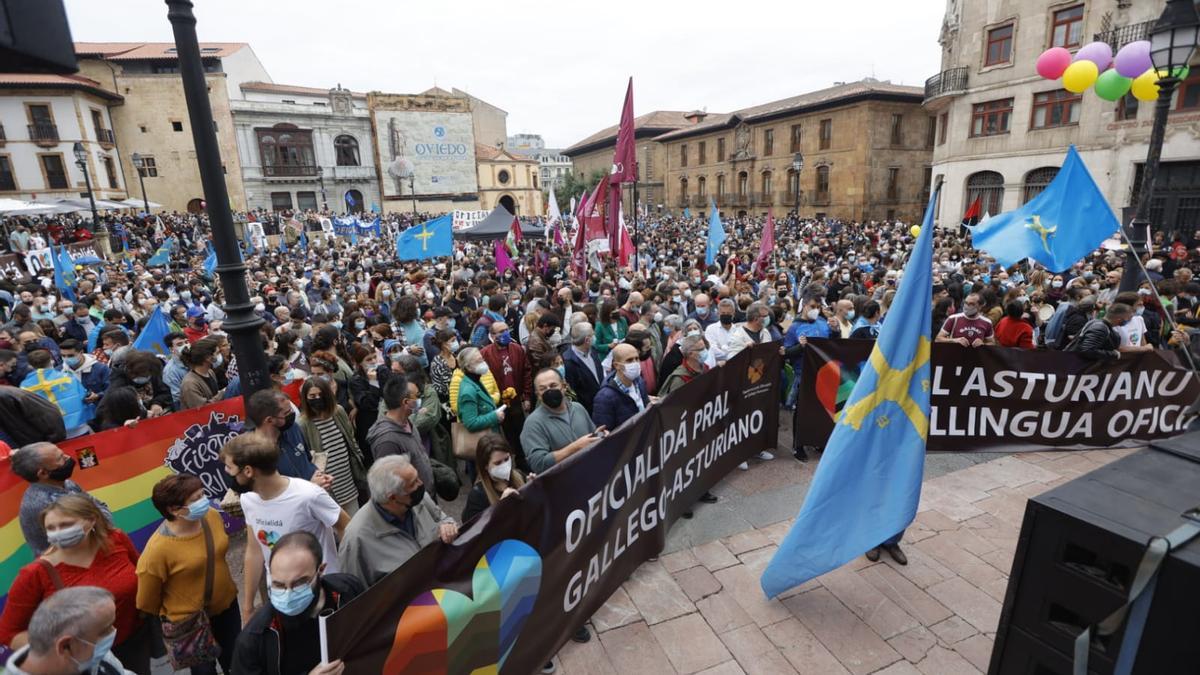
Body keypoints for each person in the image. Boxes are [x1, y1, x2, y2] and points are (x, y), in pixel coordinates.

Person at [0, 495, 149, 674]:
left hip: (134, 640)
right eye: (51, 528)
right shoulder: (35, 573)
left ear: (91, 520)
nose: (58, 532)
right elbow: (9, 633)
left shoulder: (116, 539)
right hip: (81, 659)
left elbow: (142, 572)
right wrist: (61, 650)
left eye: (65, 525)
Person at [219, 433, 349, 625]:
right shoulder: (248, 500)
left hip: (321, 596)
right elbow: (255, 552)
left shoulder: (309, 495)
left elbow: (348, 529)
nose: (226, 472)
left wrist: (346, 578)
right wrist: (247, 607)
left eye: (229, 467)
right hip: (281, 598)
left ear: (248, 471)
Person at [136, 474, 239, 675]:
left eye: (202, 494)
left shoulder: (211, 516)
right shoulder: (157, 551)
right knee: (204, 672)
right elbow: (146, 601)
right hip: (189, 625)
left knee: (237, 663)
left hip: (227, 608)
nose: (203, 501)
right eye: (195, 499)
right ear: (173, 509)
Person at [232, 531, 363, 675]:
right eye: (279, 585)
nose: (288, 594)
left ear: (320, 570)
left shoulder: (347, 590)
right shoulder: (255, 639)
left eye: (299, 583)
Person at [337, 454, 458, 585]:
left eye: (417, 477)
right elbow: (355, 594)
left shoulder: (419, 499)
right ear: (393, 497)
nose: (420, 484)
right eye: (413, 483)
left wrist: (448, 525)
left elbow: (442, 518)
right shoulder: (357, 539)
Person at [2, 586, 134, 675]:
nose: (113, 632)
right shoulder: (85, 652)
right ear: (66, 646)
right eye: (104, 630)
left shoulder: (90, 655)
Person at [11, 442, 112, 556]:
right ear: (43, 473)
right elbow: (90, 534)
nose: (68, 458)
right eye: (60, 458)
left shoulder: (66, 483)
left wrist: (99, 520)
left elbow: (101, 510)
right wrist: (99, 520)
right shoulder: (46, 504)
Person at [298, 376, 366, 515]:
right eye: (312, 395)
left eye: (320, 394)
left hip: (347, 478)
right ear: (306, 398)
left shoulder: (338, 412)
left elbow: (350, 439)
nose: (317, 398)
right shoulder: (303, 424)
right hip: (326, 485)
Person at [521, 368, 602, 474]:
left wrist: (600, 435)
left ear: (564, 386)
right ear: (538, 395)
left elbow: (591, 435)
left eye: (553, 385)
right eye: (543, 389)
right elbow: (538, 464)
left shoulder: (578, 408)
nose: (549, 390)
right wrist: (575, 447)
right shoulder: (533, 423)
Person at [366, 376, 435, 494]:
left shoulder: (408, 422)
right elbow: (391, 484)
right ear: (406, 402)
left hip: (425, 496)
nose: (419, 399)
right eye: (417, 396)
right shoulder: (387, 441)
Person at [461, 433, 527, 523]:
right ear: (486, 466)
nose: (505, 465)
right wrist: (501, 507)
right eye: (498, 463)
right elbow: (477, 531)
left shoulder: (519, 476)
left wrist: (533, 488)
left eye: (507, 459)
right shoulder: (478, 495)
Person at [591, 344, 654, 431]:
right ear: (617, 365)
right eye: (629, 360)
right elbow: (604, 435)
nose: (635, 363)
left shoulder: (639, 382)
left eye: (636, 358)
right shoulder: (604, 398)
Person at [348, 342, 387, 461]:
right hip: (370, 424)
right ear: (360, 363)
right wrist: (373, 383)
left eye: (374, 357)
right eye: (368, 359)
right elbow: (369, 404)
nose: (373, 361)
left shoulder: (383, 371)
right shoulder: (356, 380)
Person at [562, 322, 604, 416]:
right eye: (593, 335)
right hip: (587, 411)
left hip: (600, 405)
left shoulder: (593, 351)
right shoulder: (568, 362)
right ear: (587, 340)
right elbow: (573, 393)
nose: (595, 337)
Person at [1066, 302, 1130, 360]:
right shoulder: (1100, 328)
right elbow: (1087, 350)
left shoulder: (1097, 322)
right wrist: (1113, 354)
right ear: (1119, 319)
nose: (1128, 320)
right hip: (1077, 368)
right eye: (1128, 318)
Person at [177, 336, 225, 410]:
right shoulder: (190, 384)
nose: (219, 355)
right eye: (217, 353)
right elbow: (202, 409)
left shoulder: (210, 372)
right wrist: (222, 393)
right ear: (208, 358)